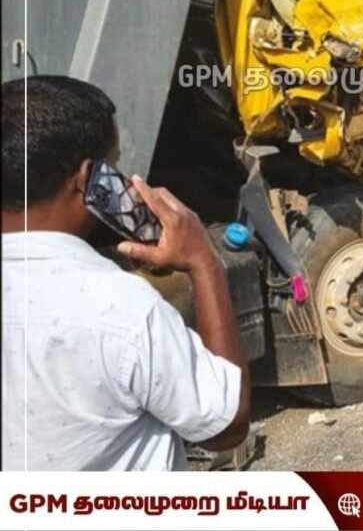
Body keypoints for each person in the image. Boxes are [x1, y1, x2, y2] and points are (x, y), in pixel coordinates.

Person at [1, 75, 250, 470]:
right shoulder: (123, 309)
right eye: (114, 165)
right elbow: (225, 425)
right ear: (87, 180)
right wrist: (203, 260)